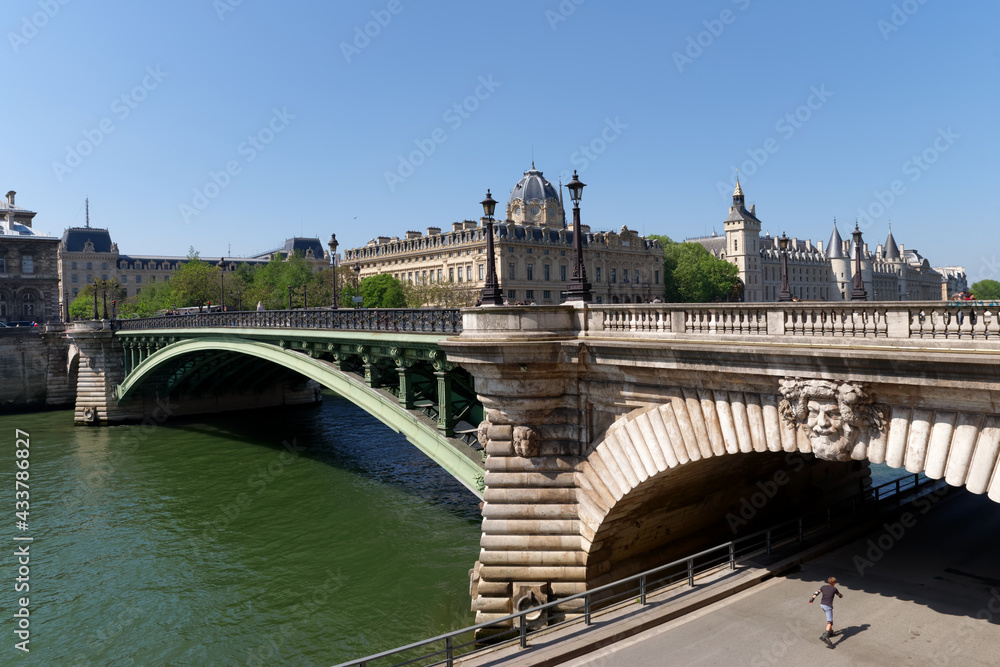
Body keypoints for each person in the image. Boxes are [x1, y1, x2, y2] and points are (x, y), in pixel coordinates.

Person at [809, 576, 843, 646]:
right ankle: (825, 636)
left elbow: (816, 593)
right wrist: (841, 596)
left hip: (822, 605)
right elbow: (839, 595)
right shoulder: (834, 589)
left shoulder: (823, 587)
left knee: (829, 619)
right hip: (828, 606)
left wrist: (812, 599)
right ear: (834, 583)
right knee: (829, 622)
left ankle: (830, 632)